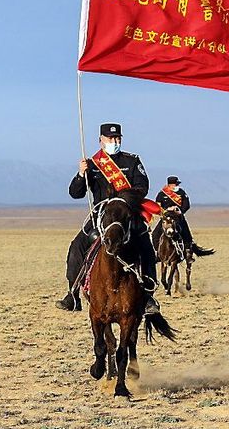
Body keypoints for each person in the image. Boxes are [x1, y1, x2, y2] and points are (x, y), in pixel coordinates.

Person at [56, 122, 161, 314]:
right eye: (110, 138)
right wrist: (81, 174)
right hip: (101, 216)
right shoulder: (93, 164)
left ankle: (148, 296)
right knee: (76, 247)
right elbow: (75, 193)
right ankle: (72, 294)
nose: (115, 141)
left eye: (118, 138)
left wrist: (122, 201)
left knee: (146, 247)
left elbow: (142, 187)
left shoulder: (132, 161)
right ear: (101, 140)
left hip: (127, 214)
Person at [152, 175, 195, 250]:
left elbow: (186, 204)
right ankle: (157, 252)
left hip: (178, 217)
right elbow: (158, 206)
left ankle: (188, 253)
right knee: (155, 235)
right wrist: (165, 211)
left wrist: (179, 210)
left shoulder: (181, 192)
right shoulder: (162, 194)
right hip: (166, 218)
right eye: (176, 184)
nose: (177, 185)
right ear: (170, 185)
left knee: (187, 234)